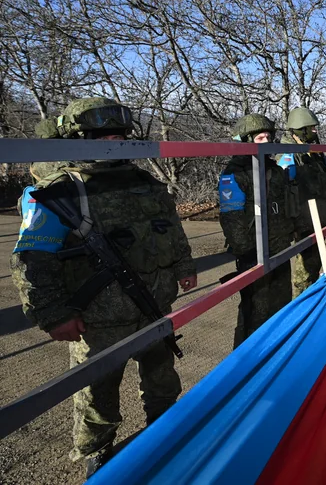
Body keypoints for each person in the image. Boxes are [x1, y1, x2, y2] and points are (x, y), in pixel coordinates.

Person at [10, 97, 197, 478]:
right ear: (77, 139)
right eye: (101, 136)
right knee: (96, 396)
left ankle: (164, 433)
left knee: (162, 381)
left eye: (118, 135)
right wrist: (53, 314)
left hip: (153, 307)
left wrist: (184, 265)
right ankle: (97, 452)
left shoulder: (144, 181)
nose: (113, 142)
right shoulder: (59, 191)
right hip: (97, 321)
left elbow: (170, 228)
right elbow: (32, 260)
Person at [219, 114, 295, 348]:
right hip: (254, 253)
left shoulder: (274, 169)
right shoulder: (234, 174)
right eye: (260, 138)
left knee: (282, 302)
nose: (266, 141)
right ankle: (247, 355)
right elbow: (232, 219)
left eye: (268, 137)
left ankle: (278, 348)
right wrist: (248, 254)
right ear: (245, 140)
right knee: (255, 310)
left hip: (279, 247)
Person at [278, 106, 326, 296]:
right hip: (302, 219)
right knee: (304, 269)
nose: (315, 131)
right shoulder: (288, 153)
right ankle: (302, 299)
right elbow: (286, 188)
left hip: (316, 215)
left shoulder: (312, 151)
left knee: (314, 261)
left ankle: (311, 294)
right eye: (311, 128)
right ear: (300, 128)